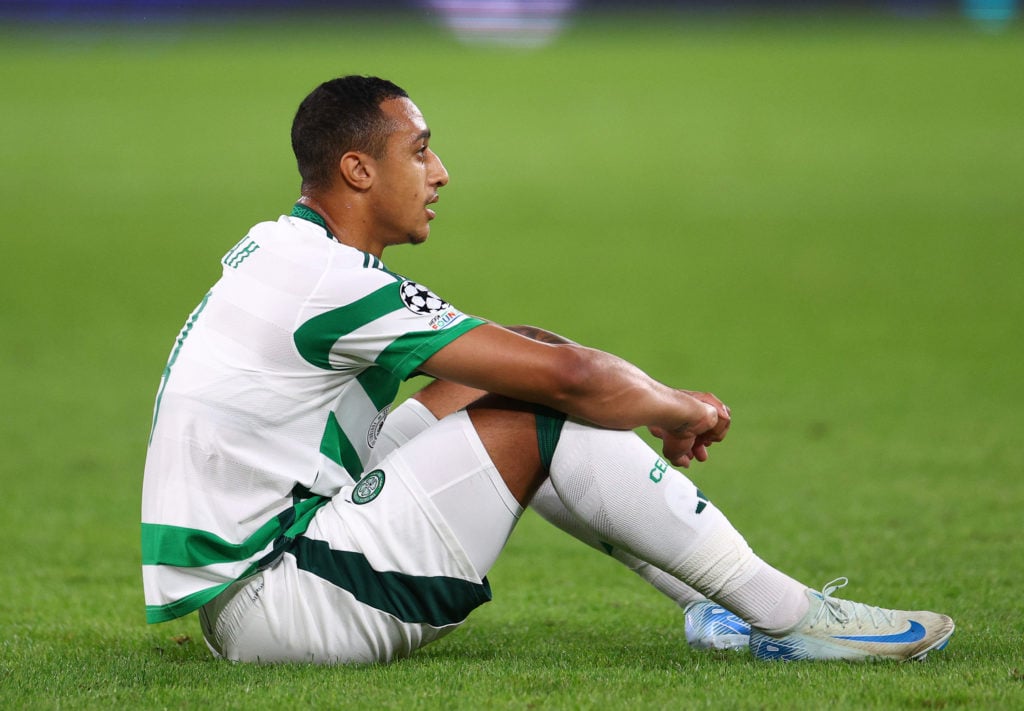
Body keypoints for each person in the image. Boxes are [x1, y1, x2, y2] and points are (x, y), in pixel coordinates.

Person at [141, 75, 954, 665]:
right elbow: (572, 382)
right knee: (544, 408)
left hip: (258, 572)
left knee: (524, 358)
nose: (440, 171)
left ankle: (717, 609)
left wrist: (633, 396)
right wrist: (675, 407)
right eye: (419, 151)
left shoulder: (288, 248)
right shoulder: (330, 280)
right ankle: (789, 615)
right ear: (357, 170)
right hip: (280, 601)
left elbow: (540, 357)